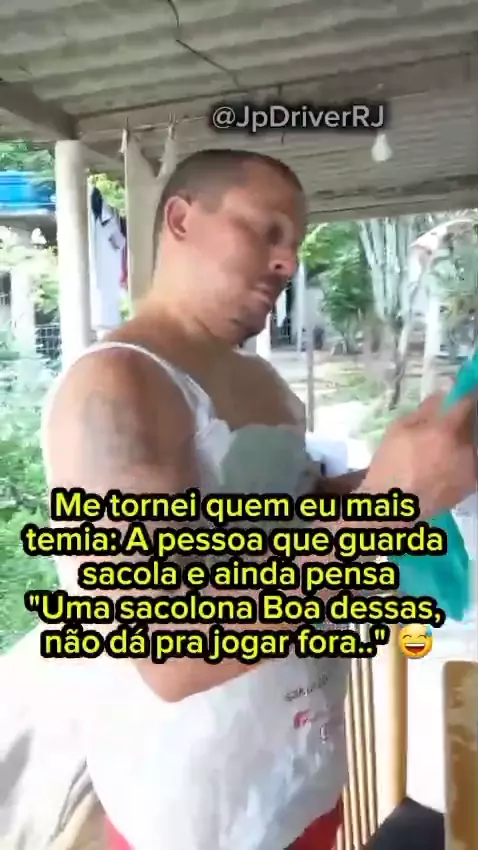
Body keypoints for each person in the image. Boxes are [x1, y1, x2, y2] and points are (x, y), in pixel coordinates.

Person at [43, 149, 476, 850]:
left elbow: (288, 517)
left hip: (301, 779)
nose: (287, 261)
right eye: (268, 230)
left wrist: (418, 472)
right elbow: (170, 649)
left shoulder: (263, 383)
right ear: (181, 219)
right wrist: (388, 506)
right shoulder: (117, 385)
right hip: (197, 818)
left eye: (296, 243)